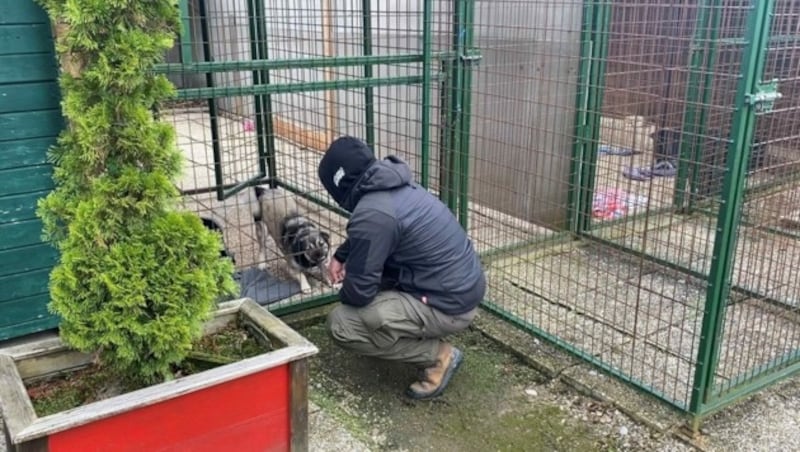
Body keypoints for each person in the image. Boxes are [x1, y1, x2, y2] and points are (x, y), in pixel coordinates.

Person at [317, 136, 486, 400]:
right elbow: (378, 232)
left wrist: (349, 279)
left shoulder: (372, 213)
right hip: (459, 288)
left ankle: (439, 356)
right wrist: (343, 255)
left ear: (338, 186)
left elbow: (359, 293)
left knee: (343, 323)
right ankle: (403, 333)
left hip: (449, 306)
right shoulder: (394, 185)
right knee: (376, 290)